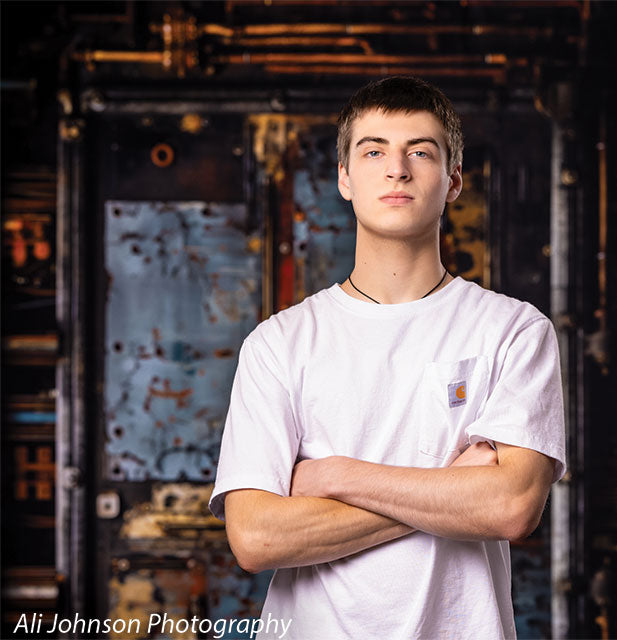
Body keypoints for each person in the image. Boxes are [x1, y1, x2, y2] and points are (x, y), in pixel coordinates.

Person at [209, 76, 566, 639]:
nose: (396, 169)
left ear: (452, 182)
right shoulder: (279, 343)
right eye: (373, 151)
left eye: (419, 152)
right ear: (345, 179)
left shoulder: (514, 331)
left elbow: (511, 506)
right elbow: (257, 540)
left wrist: (335, 476)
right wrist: (453, 489)